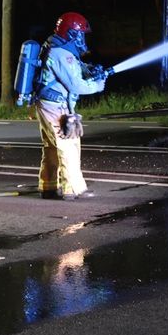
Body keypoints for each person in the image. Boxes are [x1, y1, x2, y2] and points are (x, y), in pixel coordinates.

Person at [33, 12, 108, 200]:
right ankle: (73, 189)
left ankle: (48, 186)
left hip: (48, 104)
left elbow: (72, 71)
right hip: (56, 107)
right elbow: (76, 85)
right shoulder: (62, 54)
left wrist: (91, 70)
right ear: (72, 34)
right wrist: (97, 85)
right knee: (69, 145)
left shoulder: (54, 47)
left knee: (51, 147)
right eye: (81, 34)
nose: (83, 39)